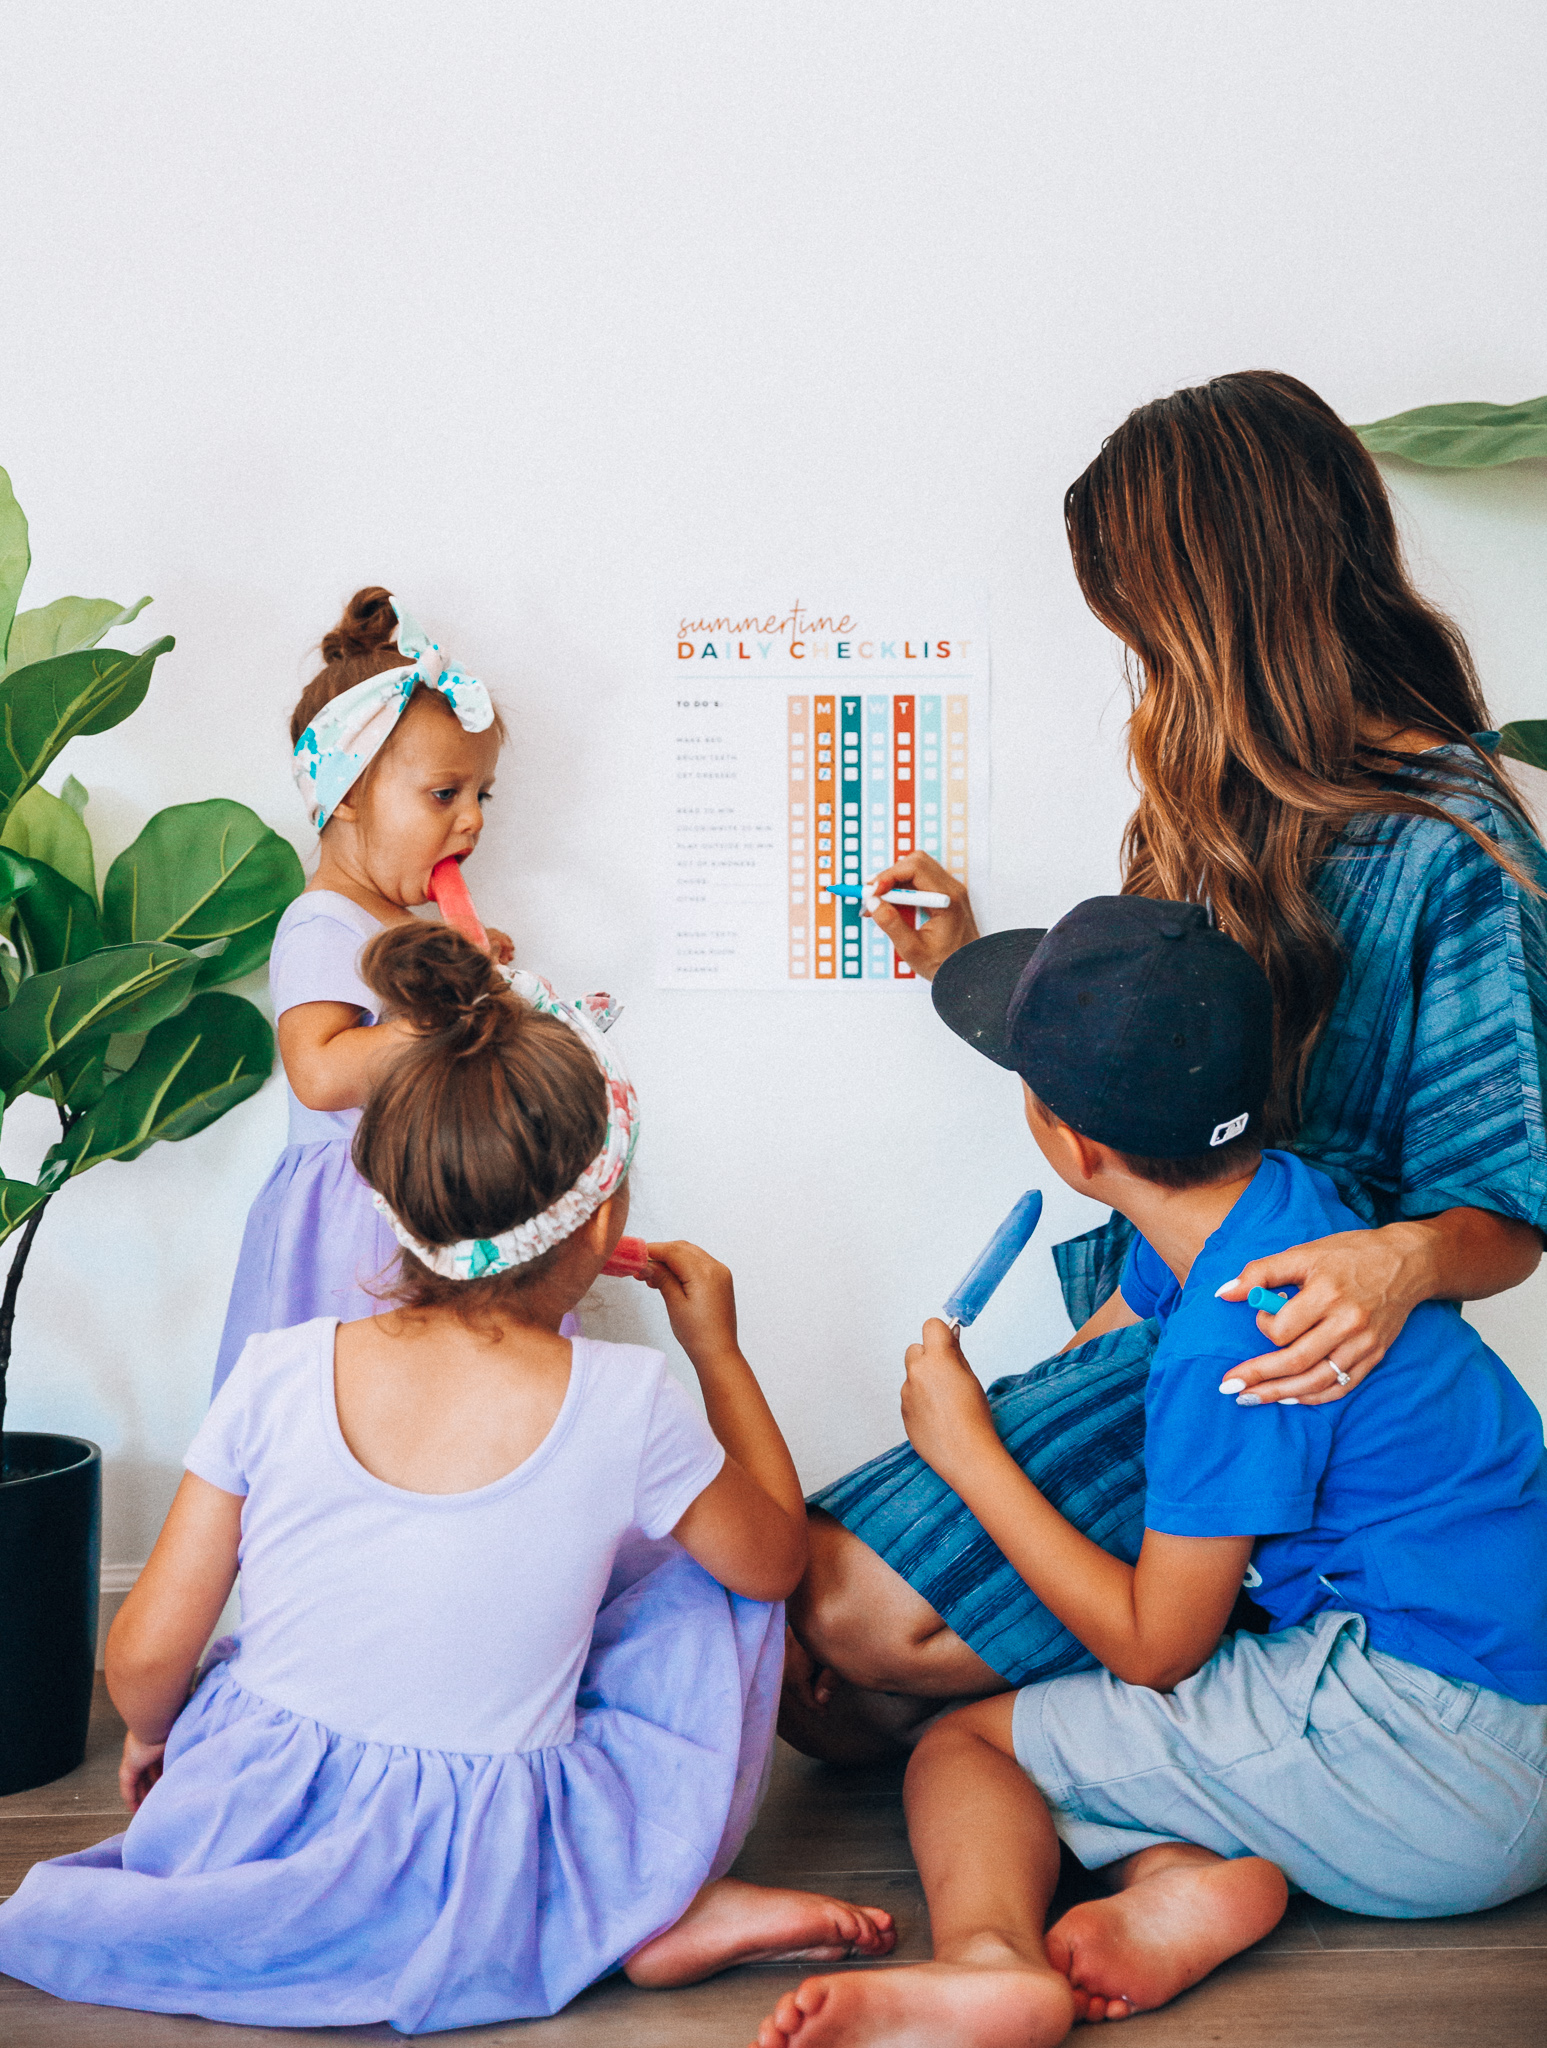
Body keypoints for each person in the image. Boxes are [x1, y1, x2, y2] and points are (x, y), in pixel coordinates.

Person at [787, 370, 1547, 1751]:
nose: (1140, 668)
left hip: (1299, 1368)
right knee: (826, 1688)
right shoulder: (1198, 800)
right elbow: (1146, 1044)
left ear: (1225, 605)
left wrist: (1402, 1260)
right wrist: (974, 958)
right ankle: (1199, 1707)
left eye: (1144, 629)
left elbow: (1506, 1215)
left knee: (849, 1627)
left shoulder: (1457, 850)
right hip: (1167, 1315)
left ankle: (1215, 1672)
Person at [0, 924, 894, 2032]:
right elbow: (773, 1561)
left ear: (389, 1197)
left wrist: (154, 1736)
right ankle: (631, 1905)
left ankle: (600, 1915)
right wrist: (716, 1349)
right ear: (604, 1217)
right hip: (492, 1861)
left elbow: (142, 1659)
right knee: (712, 1573)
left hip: (257, 1819)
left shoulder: (279, 1371)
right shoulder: (629, 1396)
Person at [755, 898, 1547, 2047]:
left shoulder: (1237, 1339)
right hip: (1490, 1694)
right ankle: (1187, 1878)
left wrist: (964, 1450)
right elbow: (1108, 1340)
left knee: (966, 1744)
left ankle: (988, 1962)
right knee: (1100, 1727)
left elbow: (1154, 1645)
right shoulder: (1282, 1206)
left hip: (1438, 1760)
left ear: (1071, 1146)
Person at [212, 585, 550, 1397]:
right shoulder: (321, 919)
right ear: (350, 793)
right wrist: (450, 1016)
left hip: (436, 1198)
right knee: (356, 1408)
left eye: (481, 796)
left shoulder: (399, 921)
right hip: (356, 1227)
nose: (471, 821)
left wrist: (468, 969)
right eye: (445, 794)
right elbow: (321, 1071)